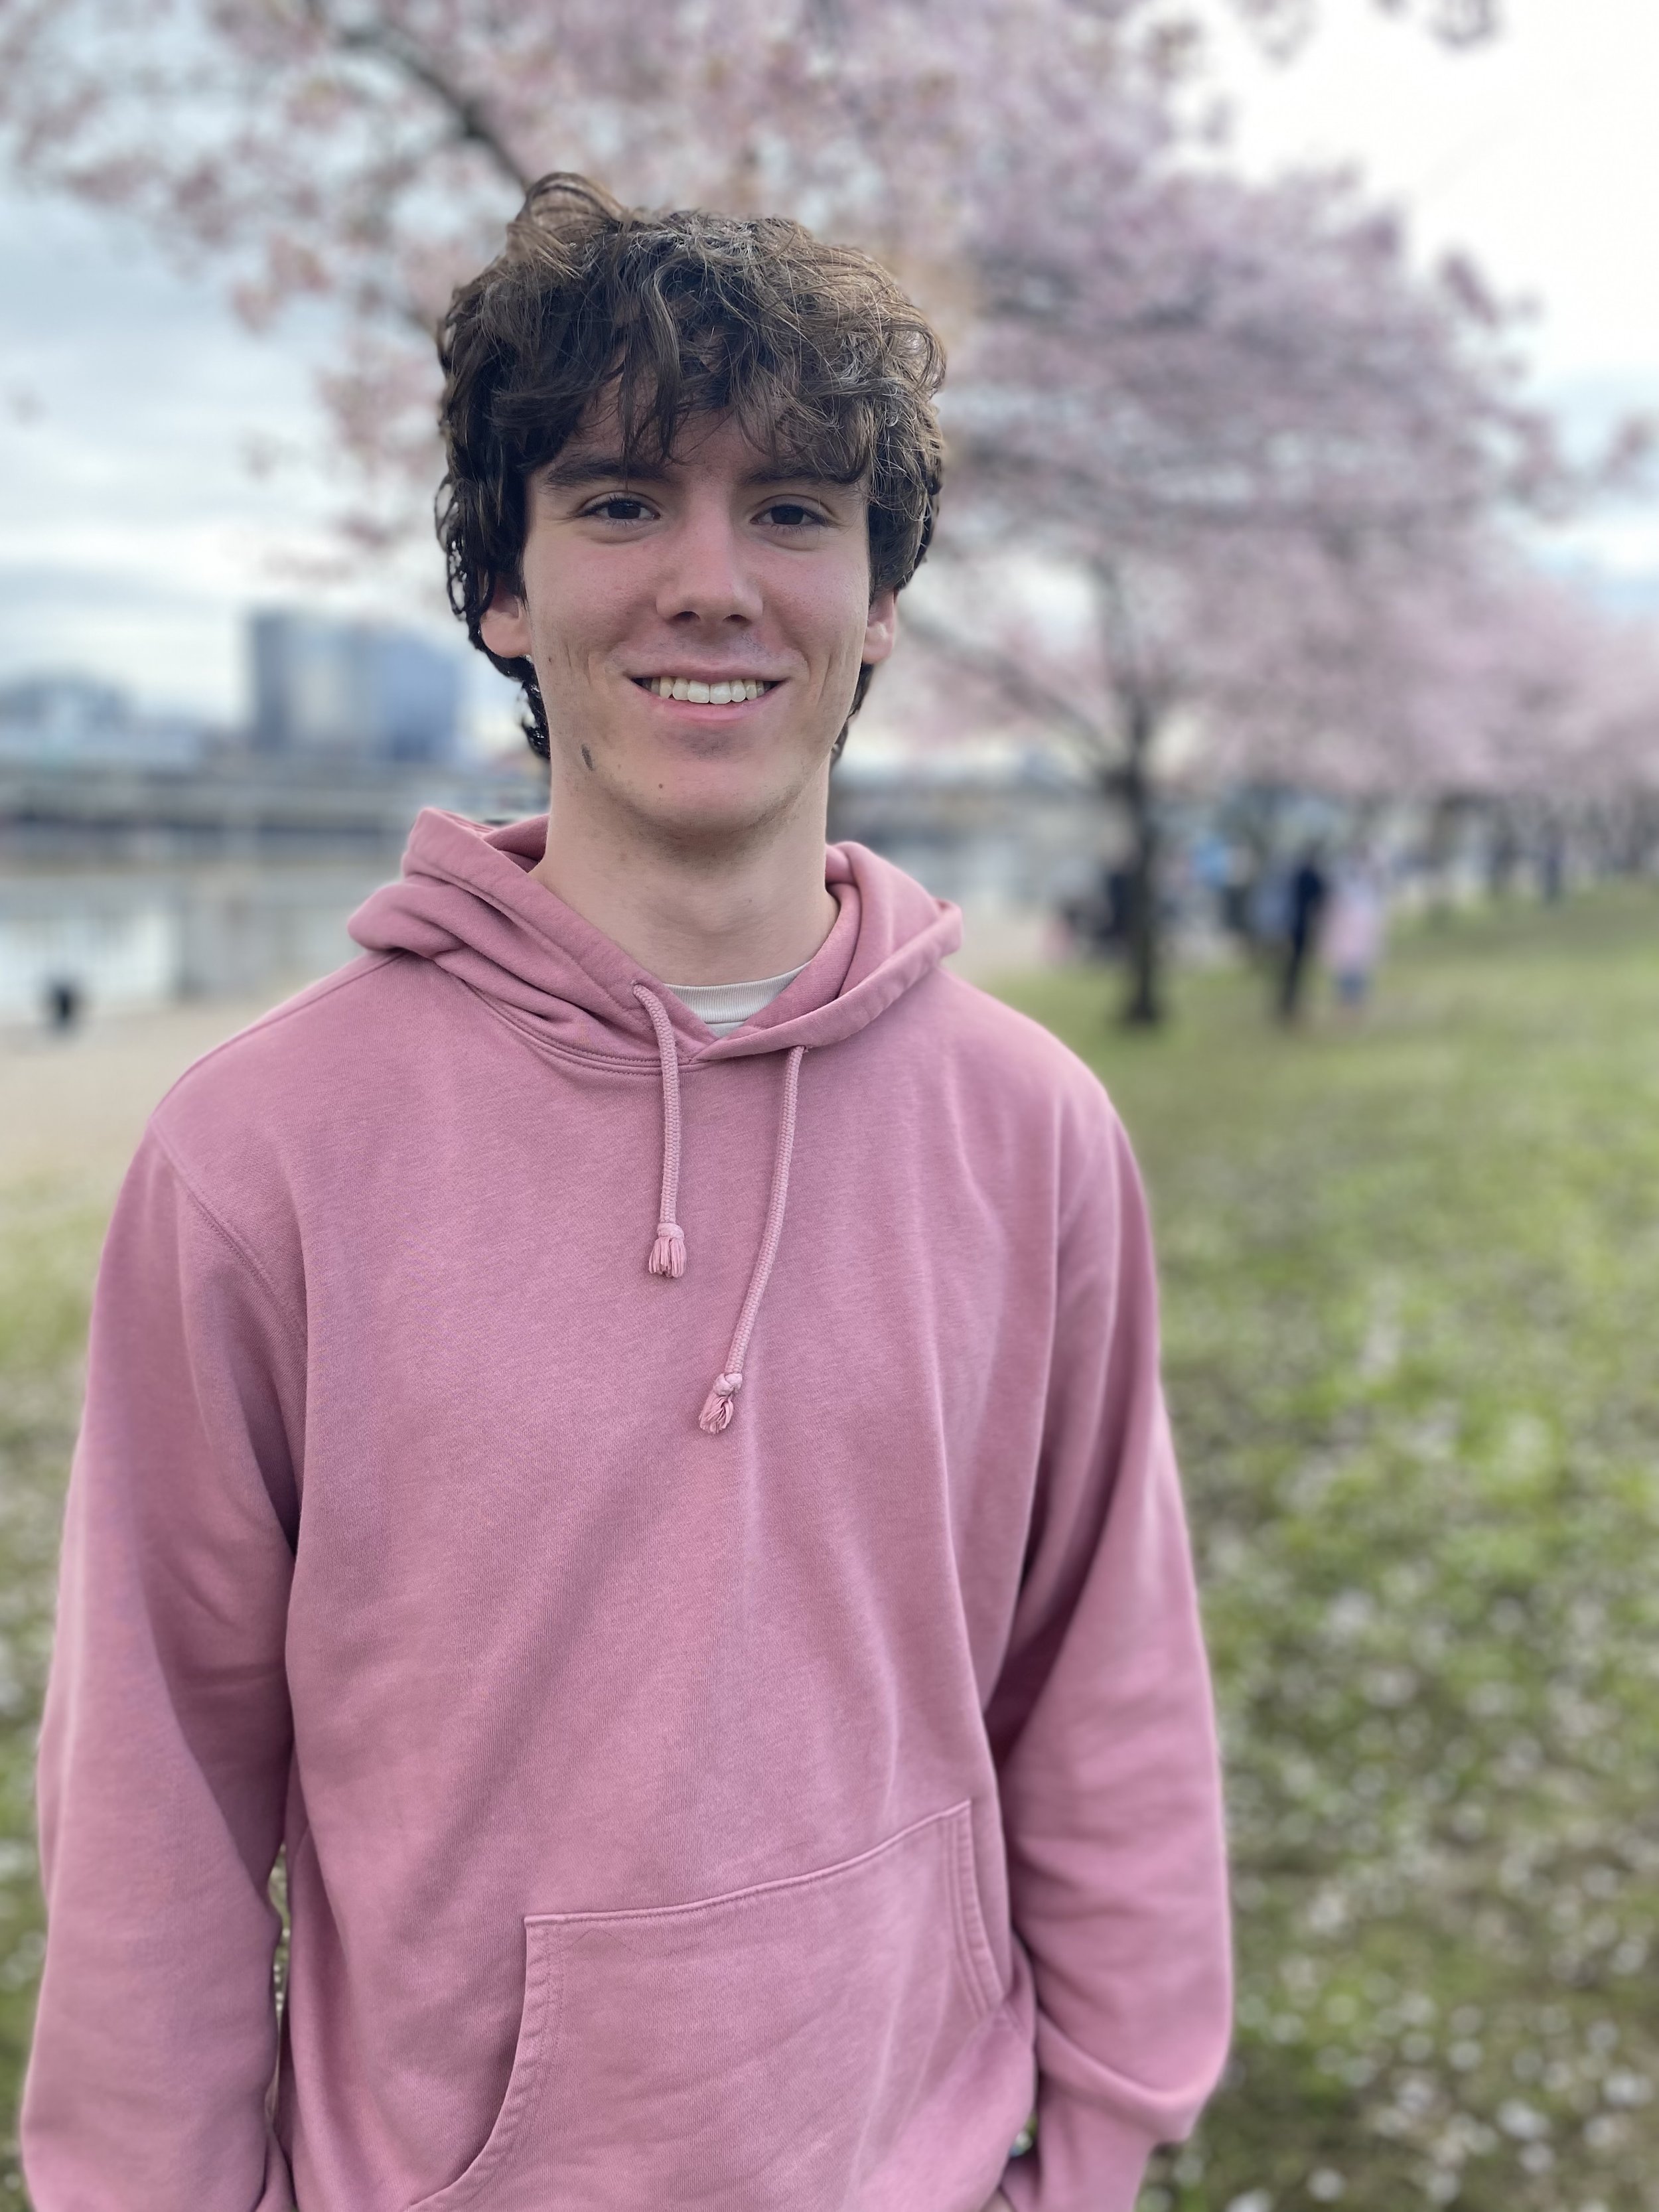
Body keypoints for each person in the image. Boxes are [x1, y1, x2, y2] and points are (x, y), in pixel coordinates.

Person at [22, 177, 1230, 2212]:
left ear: (878, 598)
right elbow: (153, 1782)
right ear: (501, 589)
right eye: (613, 503)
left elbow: (1099, 1679)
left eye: (787, 511)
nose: (708, 579)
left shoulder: (1031, 1129)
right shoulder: (260, 1156)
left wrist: (1096, 2139)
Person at [1321, 850, 1387, 1012]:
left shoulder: (1368, 887)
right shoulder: (1346, 884)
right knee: (1347, 970)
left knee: (1359, 970)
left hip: (1360, 932)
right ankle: (1346, 1002)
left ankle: (1355, 1002)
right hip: (1349, 931)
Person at [1276, 844, 1328, 1024]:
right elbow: (1322, 898)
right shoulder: (1311, 876)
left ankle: (1290, 1002)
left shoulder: (1297, 875)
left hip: (1295, 925)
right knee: (1298, 967)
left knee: (1294, 967)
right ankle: (1291, 1002)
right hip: (1304, 927)